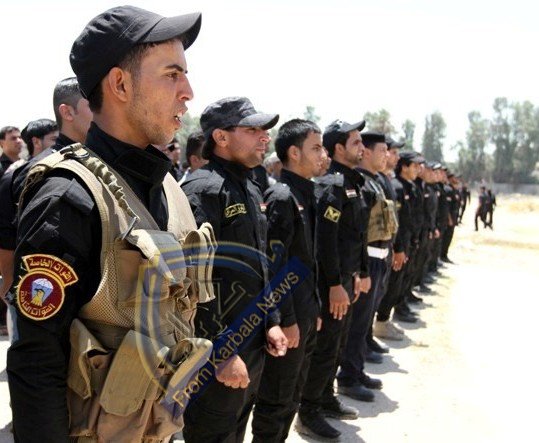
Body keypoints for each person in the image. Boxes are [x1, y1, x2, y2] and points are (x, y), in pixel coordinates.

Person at [7, 6, 210, 442]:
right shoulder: (68, 198)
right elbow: (36, 363)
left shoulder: (168, 188)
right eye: (172, 74)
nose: (188, 92)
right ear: (119, 84)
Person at [181, 96, 288, 443]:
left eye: (264, 130)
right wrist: (222, 352)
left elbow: (259, 263)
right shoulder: (203, 190)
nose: (264, 137)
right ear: (221, 137)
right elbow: (193, 281)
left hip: (252, 345)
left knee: (235, 429)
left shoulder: (249, 186)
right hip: (217, 354)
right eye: (252, 129)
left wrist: (271, 320)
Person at [0, 78, 92, 339]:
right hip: (44, 300)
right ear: (67, 112)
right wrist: (11, 286)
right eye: (91, 104)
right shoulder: (35, 171)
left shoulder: (100, 163)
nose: (101, 112)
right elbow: (8, 236)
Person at [251, 118, 325, 442]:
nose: (323, 155)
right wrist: (288, 320)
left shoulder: (307, 194)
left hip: (305, 312)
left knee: (293, 395)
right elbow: (276, 266)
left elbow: (309, 260)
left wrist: (314, 309)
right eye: (316, 148)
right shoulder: (282, 197)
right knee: (276, 399)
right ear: (294, 153)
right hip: (290, 317)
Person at [297, 119, 370, 441]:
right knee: (325, 347)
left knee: (337, 344)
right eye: (356, 142)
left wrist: (361, 273)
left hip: (347, 279)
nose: (362, 148)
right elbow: (325, 242)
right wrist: (334, 284)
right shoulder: (331, 186)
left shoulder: (352, 183)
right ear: (339, 148)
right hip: (333, 284)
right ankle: (308, 411)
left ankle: (325, 397)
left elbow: (357, 235)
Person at [337, 131, 396, 402]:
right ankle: (348, 376)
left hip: (378, 257)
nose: (386, 155)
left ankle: (356, 370)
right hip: (366, 259)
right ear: (368, 153)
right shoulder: (360, 182)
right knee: (357, 322)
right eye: (382, 150)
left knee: (363, 322)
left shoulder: (376, 181)